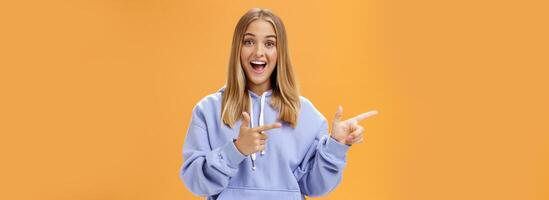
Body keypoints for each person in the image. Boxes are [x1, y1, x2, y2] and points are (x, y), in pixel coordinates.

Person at [179, 8, 378, 200]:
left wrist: (335, 145)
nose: (258, 52)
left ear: (279, 51)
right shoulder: (208, 110)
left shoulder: (305, 114)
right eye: (248, 42)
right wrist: (236, 150)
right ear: (237, 49)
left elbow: (315, 187)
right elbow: (195, 182)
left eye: (269, 44)